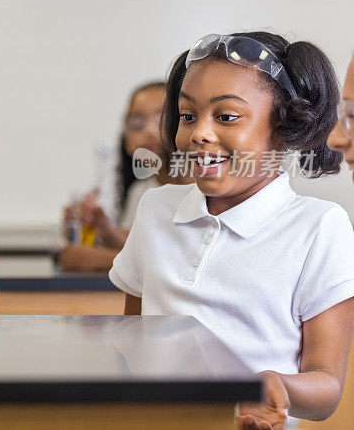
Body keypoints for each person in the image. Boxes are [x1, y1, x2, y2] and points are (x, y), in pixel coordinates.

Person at [109, 32, 354, 428]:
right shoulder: (154, 209)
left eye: (226, 116)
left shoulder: (319, 227)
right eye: (187, 116)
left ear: (285, 126)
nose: (199, 133)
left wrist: (273, 387)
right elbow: (133, 339)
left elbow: (326, 389)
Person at [60, 52, 191, 272]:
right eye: (137, 123)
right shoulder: (141, 189)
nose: (149, 131)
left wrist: (90, 258)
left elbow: (177, 260)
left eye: (162, 118)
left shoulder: (199, 185)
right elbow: (138, 248)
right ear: (126, 138)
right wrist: (103, 230)